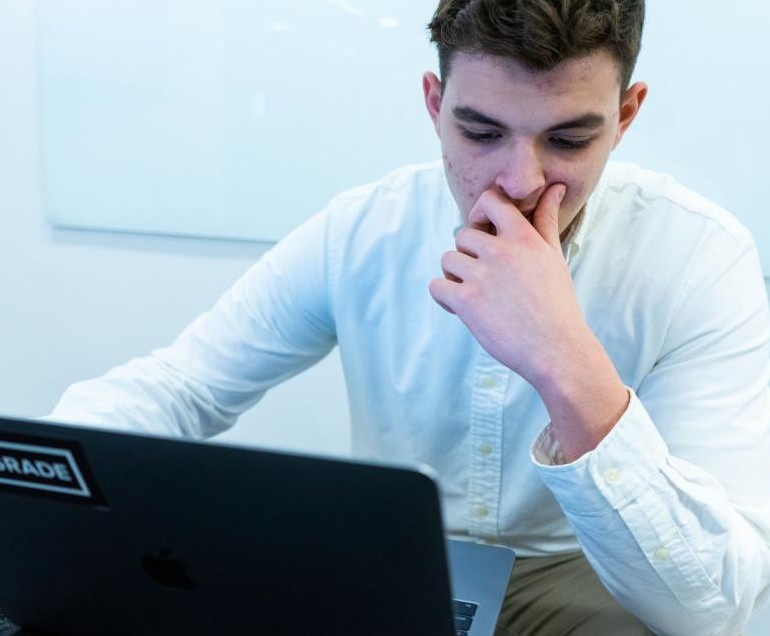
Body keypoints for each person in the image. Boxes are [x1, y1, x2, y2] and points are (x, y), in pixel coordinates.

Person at [49, 1, 770, 634]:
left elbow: (711, 610)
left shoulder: (698, 258)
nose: (519, 182)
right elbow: (180, 388)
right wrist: (39, 480)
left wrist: (564, 359)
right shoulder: (364, 229)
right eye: (480, 133)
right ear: (435, 104)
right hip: (405, 566)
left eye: (568, 140)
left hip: (595, 576)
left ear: (625, 116)